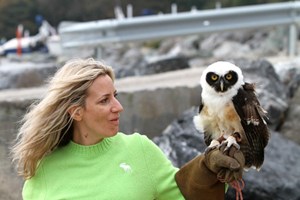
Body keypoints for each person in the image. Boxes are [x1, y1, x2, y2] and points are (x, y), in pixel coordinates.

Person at [11, 58, 245, 200]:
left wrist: (207, 168)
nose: (118, 107)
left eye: (115, 96)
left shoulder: (138, 150)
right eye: (104, 101)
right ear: (76, 112)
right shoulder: (42, 170)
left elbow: (185, 194)